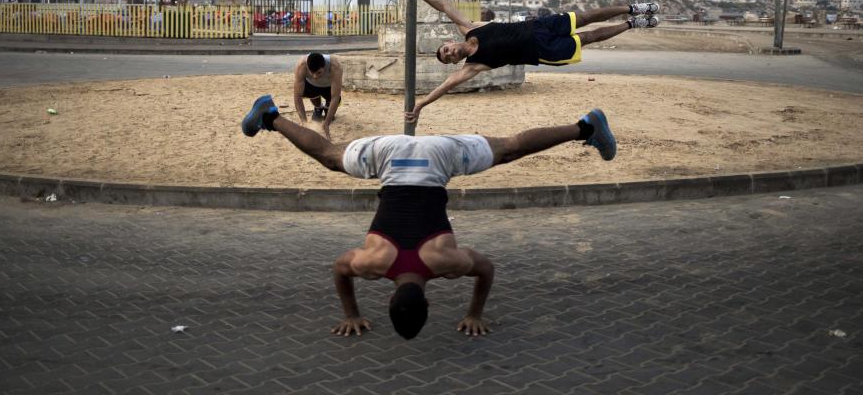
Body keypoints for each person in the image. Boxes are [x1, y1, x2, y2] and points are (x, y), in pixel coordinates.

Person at [240, 94, 617, 339]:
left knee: (510, 149)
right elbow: (339, 268)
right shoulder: (372, 264)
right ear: (387, 301)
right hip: (390, 154)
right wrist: (351, 312)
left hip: (439, 157)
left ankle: (586, 126)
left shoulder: (446, 263)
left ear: (431, 302)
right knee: (330, 156)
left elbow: (486, 269)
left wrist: (474, 313)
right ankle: (271, 116)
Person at [403, 0, 660, 124]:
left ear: (450, 41)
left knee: (586, 17)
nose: (449, 53)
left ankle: (632, 8)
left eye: (446, 49)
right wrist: (421, 104)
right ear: (455, 61)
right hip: (543, 50)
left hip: (540, 26)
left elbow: (444, 5)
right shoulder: (473, 66)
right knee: (590, 37)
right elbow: (446, 85)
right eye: (448, 57)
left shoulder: (469, 28)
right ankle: (632, 23)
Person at [293, 52, 343, 139]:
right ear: (307, 67)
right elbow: (297, 96)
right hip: (311, 85)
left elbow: (335, 96)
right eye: (311, 72)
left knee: (335, 100)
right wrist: (304, 122)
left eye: (319, 73)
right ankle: (318, 107)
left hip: (329, 86)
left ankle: (327, 106)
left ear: (324, 67)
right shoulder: (301, 66)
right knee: (305, 91)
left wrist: (326, 123)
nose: (315, 76)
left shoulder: (335, 66)